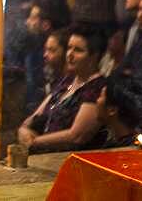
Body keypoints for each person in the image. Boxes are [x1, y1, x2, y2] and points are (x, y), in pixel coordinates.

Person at [17, 25, 108, 153]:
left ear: (94, 56)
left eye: (78, 50)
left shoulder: (97, 87)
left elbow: (77, 136)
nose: (70, 54)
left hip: (69, 161)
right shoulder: (68, 80)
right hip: (43, 155)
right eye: (69, 48)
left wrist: (35, 141)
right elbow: (34, 117)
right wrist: (23, 129)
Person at [95, 76, 142, 148]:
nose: (96, 100)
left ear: (112, 110)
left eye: (100, 96)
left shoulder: (130, 149)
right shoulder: (123, 143)